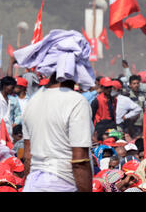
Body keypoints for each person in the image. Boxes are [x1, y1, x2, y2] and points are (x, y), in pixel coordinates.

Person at [14, 29, 95, 192]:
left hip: (32, 185)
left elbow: (28, 156)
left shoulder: (33, 100)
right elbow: (80, 162)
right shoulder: (77, 102)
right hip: (62, 185)